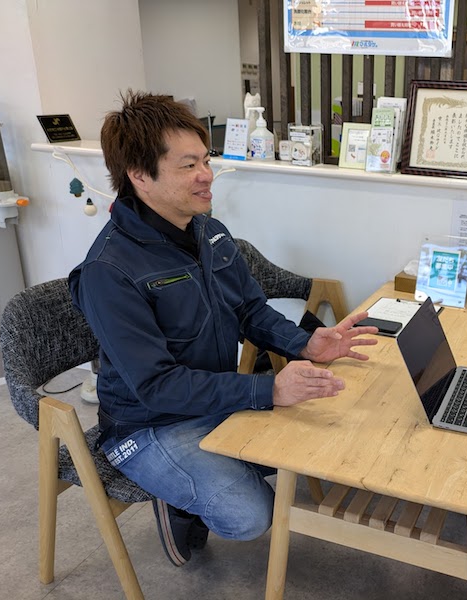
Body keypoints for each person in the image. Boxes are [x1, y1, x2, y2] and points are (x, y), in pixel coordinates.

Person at [69, 90, 378, 567]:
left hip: (214, 397)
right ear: (139, 175)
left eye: (206, 160)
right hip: (148, 425)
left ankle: (204, 474)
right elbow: (157, 386)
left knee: (335, 435)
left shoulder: (209, 231)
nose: (206, 175)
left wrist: (307, 343)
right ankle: (175, 502)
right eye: (188, 165)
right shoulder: (108, 271)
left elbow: (251, 310)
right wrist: (268, 390)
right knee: (249, 515)